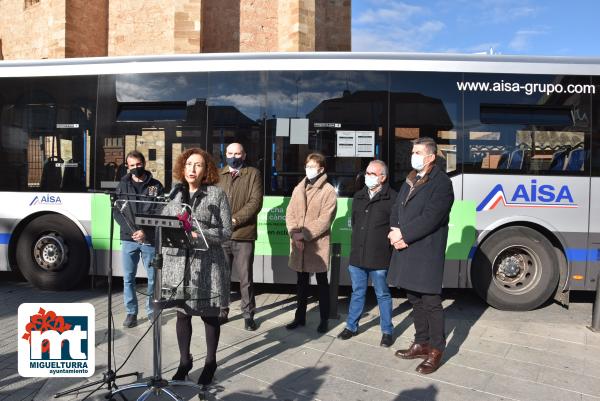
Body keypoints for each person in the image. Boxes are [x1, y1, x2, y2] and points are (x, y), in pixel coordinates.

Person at [161, 148, 232, 386]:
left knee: (209, 316)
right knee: (182, 315)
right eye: (189, 164)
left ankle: (210, 362)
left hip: (207, 265)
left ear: (206, 170)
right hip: (178, 265)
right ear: (183, 167)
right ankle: (184, 362)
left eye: (198, 165)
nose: (192, 169)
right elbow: (163, 222)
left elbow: (226, 232)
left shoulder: (216, 194)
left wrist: (199, 232)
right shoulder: (174, 194)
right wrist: (146, 232)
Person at [387, 137, 454, 375]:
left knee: (431, 301)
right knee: (414, 297)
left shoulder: (442, 183)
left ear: (431, 157)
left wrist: (404, 234)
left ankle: (436, 349)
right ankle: (421, 341)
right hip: (406, 246)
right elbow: (397, 207)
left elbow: (431, 217)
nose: (412, 155)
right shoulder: (411, 178)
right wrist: (395, 231)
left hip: (425, 249)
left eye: (417, 152)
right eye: (412, 151)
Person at [337, 160, 397, 347]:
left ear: (383, 177)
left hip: (379, 258)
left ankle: (387, 331)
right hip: (358, 257)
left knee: (383, 295)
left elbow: (394, 227)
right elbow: (355, 223)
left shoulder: (392, 198)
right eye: (367, 173)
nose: (367, 176)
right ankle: (351, 326)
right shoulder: (359, 196)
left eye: (372, 173)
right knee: (357, 293)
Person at [285, 152, 337, 333]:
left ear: (321, 169)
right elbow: (290, 213)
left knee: (322, 282)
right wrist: (294, 234)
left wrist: (303, 235)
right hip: (298, 243)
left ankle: (324, 319)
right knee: (301, 283)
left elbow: (325, 220)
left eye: (313, 166)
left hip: (316, 244)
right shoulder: (299, 187)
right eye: (307, 165)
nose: (309, 169)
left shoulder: (328, 190)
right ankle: (300, 317)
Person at [216, 143, 263, 331]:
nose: (233, 156)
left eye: (237, 153)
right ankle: (221, 311)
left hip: (243, 234)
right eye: (230, 153)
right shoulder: (218, 175)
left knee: (246, 279)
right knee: (221, 277)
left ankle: (248, 315)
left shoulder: (253, 174)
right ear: (225, 154)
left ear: (244, 155)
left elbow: (255, 202)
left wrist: (234, 220)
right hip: (221, 235)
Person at [115, 150, 164, 328]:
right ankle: (131, 313)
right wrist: (133, 231)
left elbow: (160, 211)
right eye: (132, 165)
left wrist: (144, 231)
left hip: (149, 239)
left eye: (139, 164)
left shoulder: (156, 186)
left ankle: (152, 311)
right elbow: (117, 212)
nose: (136, 168)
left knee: (152, 278)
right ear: (127, 166)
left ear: (144, 163)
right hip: (128, 238)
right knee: (128, 278)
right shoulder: (122, 185)